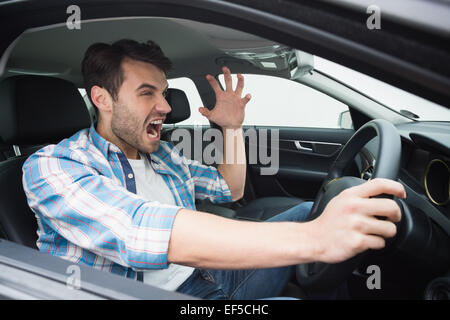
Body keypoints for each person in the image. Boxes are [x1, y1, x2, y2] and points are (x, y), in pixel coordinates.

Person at [22, 39, 405, 300]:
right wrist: (317, 238)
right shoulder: (53, 166)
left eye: (164, 92)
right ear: (102, 99)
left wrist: (232, 129)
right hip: (154, 294)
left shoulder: (164, 156)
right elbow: (137, 229)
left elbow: (230, 189)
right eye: (146, 93)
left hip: (203, 275)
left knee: (308, 213)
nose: (166, 107)